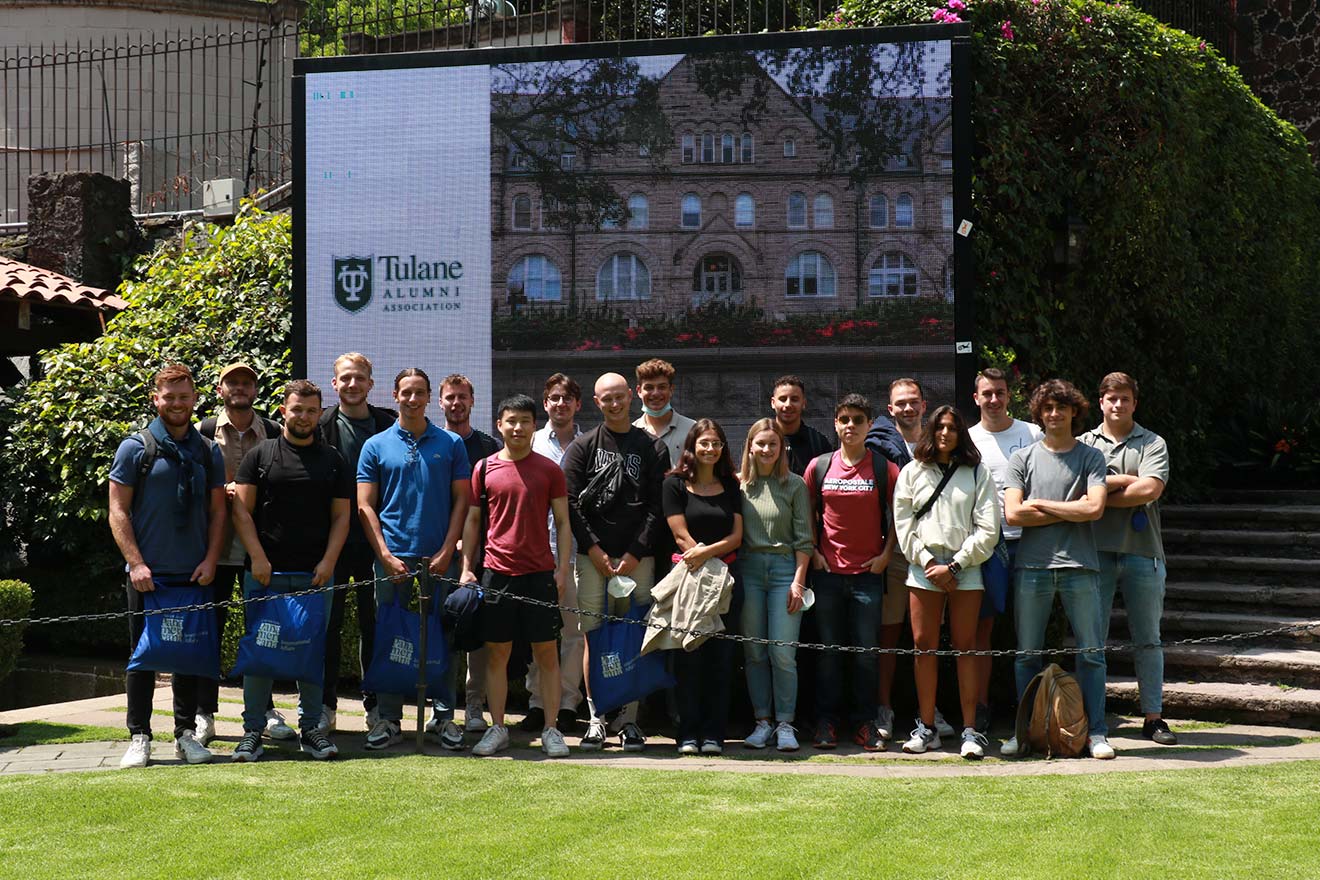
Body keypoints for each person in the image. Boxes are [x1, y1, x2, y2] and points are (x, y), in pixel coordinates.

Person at [108, 364, 226, 768]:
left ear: (195, 399)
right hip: (148, 576)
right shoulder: (134, 448)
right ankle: (139, 735)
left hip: (193, 572)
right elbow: (117, 510)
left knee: (188, 658)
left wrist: (212, 559)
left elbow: (218, 513)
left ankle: (185, 735)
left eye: (184, 396)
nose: (177, 404)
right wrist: (136, 564)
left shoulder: (208, 451)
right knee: (142, 659)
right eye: (169, 396)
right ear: (155, 399)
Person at [229, 379, 351, 762]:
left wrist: (329, 562)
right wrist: (258, 557)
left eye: (311, 410)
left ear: (319, 413)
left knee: (311, 653)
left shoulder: (333, 460)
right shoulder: (259, 455)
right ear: (284, 410)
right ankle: (252, 731)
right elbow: (241, 512)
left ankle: (312, 728)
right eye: (297, 409)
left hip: (315, 575)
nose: (303, 416)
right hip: (265, 575)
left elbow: (342, 517)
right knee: (260, 654)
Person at [356, 368, 471, 751]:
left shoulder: (451, 443)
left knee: (444, 637)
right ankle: (388, 718)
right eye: (406, 392)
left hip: (439, 560)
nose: (413, 398)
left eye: (420, 392)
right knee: (390, 637)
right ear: (395, 395)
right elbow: (364, 507)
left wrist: (446, 550)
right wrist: (385, 556)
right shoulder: (375, 445)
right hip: (393, 560)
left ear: (427, 398)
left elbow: (462, 503)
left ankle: (443, 718)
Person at [1001, 379, 1113, 760]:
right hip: (1031, 567)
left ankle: (1096, 732)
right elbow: (1014, 513)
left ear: (1074, 411)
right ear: (1039, 413)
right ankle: (1023, 734)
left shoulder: (1091, 457)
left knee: (1091, 653)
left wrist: (1042, 505)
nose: (1054, 414)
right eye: (1047, 408)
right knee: (1025, 655)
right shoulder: (1023, 458)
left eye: (1061, 407)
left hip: (1081, 567)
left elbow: (1094, 509)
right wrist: (1069, 507)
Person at [459, 394, 573, 758]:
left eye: (525, 420)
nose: (518, 427)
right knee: (497, 655)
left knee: (547, 654)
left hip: (539, 574)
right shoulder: (484, 468)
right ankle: (497, 728)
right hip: (497, 573)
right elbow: (473, 521)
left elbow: (564, 523)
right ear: (499, 425)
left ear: (533, 425)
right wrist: (466, 567)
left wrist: (561, 570)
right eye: (511, 420)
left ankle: (551, 729)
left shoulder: (550, 470)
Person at [562, 372, 669, 752]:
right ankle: (596, 717)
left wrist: (634, 553)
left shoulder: (653, 447)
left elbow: (659, 507)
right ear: (596, 401)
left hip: (637, 560)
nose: (614, 403)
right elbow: (570, 505)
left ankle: (629, 722)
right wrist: (594, 550)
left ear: (631, 397)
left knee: (634, 636)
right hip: (594, 559)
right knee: (595, 635)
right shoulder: (581, 447)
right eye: (606, 398)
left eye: (619, 396)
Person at [892, 406, 999, 758]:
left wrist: (955, 565)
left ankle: (970, 731)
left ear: (960, 433)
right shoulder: (911, 471)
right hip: (923, 569)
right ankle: (927, 728)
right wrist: (928, 562)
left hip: (965, 568)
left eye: (953, 428)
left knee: (966, 647)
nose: (945, 434)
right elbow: (904, 527)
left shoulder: (977, 472)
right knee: (924, 648)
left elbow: (988, 529)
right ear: (930, 430)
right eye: (940, 427)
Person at [196, 362, 290, 745]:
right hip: (214, 548)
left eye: (246, 383)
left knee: (262, 631)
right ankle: (204, 712)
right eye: (232, 382)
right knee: (208, 632)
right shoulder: (202, 432)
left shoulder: (271, 430)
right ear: (219, 389)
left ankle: (265, 709)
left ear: (255, 390)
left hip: (259, 549)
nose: (239, 388)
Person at [1080, 372, 1176, 745]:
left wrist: (1104, 492)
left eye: (1124, 398)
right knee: (1092, 640)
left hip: (1143, 553)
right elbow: (1081, 490)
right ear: (1100, 401)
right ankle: (1095, 721)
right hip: (1094, 554)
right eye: (1110, 398)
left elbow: (1150, 487)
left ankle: (1154, 718)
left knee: (1148, 639)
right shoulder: (1084, 443)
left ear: (1135, 403)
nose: (1117, 404)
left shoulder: (1153, 442)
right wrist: (1126, 482)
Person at [804, 393, 900, 751]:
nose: (850, 427)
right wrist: (813, 552)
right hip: (827, 573)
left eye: (858, 420)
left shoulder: (884, 469)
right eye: (844, 420)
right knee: (828, 652)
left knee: (865, 653)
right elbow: (807, 513)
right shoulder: (819, 466)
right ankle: (826, 722)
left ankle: (864, 723)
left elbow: (898, 517)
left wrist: (886, 555)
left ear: (869, 425)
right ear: (836, 423)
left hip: (868, 575)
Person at [316, 352, 397, 733]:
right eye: (345, 378)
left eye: (359, 378)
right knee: (328, 626)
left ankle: (376, 707)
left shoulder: (389, 424)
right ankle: (325, 705)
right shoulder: (319, 425)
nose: (352, 384)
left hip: (379, 541)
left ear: (370, 383)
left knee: (376, 626)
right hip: (331, 543)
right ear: (335, 384)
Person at [662, 419, 743, 754]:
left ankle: (714, 734)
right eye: (704, 443)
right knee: (688, 657)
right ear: (691, 447)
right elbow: (680, 535)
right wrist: (701, 558)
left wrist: (707, 555)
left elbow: (737, 536)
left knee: (721, 660)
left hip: (725, 582)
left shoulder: (731, 485)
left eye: (716, 443)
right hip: (689, 583)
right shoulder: (674, 484)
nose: (710, 449)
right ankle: (688, 733)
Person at [967, 367, 1042, 731]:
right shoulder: (966, 440)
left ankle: (1028, 713)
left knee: (1028, 633)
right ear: (976, 398)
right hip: (985, 548)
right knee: (982, 631)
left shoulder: (1032, 433)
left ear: (1008, 395)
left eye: (999, 392)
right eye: (987, 393)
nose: (993, 399)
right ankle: (979, 709)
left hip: (1030, 544)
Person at [738, 418, 813, 751]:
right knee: (754, 651)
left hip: (785, 571)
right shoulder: (738, 485)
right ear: (750, 446)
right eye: (761, 443)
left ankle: (785, 722)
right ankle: (762, 721)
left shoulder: (794, 484)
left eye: (773, 444)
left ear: (782, 448)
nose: (767, 449)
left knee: (783, 652)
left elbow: (804, 539)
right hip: (749, 570)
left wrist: (799, 582)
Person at [872, 377, 938, 743]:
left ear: (924, 406)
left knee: (928, 639)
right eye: (901, 403)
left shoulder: (944, 441)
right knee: (889, 633)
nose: (908, 408)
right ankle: (885, 708)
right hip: (896, 553)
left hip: (939, 556)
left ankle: (929, 712)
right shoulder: (878, 446)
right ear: (890, 408)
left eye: (914, 401)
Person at [437, 373, 503, 739]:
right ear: (441, 402)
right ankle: (441, 708)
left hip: (481, 554)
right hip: (440, 552)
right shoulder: (433, 442)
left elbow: (491, 505)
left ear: (472, 401)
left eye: (462, 397)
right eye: (450, 397)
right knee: (443, 629)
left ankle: (474, 706)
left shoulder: (489, 447)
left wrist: (473, 544)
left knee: (478, 632)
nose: (456, 403)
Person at [524, 372, 585, 735]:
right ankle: (536, 703)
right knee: (538, 632)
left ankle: (566, 704)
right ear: (545, 403)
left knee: (574, 635)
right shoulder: (529, 442)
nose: (560, 404)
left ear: (578, 404)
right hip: (537, 554)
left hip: (578, 554)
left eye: (567, 398)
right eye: (554, 398)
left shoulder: (589, 443)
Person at [634, 358, 698, 471]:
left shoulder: (693, 430)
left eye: (662, 387)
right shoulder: (632, 432)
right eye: (649, 387)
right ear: (639, 391)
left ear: (671, 390)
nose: (655, 393)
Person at [769, 375, 835, 476]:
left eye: (794, 399)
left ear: (803, 403)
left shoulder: (818, 443)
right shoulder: (762, 441)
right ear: (773, 403)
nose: (788, 405)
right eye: (782, 399)